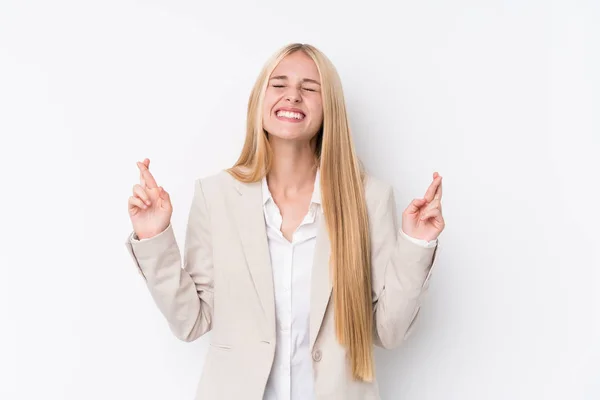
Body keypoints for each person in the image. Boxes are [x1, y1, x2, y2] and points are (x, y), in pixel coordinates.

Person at [125, 43, 444, 400]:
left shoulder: (370, 198)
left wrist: (417, 245)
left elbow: (390, 331)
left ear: (329, 107)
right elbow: (190, 321)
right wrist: (154, 237)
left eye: (309, 88)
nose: (292, 96)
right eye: (279, 85)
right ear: (260, 100)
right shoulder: (216, 196)